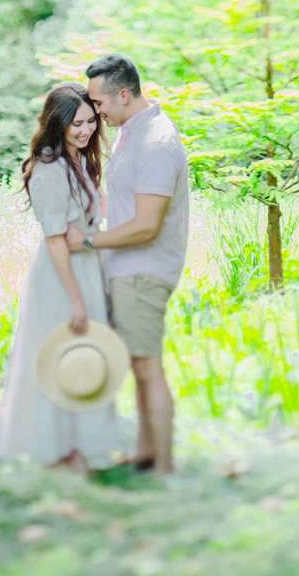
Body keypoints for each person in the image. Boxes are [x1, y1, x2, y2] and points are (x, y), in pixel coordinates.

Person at [67, 53, 190, 475]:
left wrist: (84, 240)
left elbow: (146, 226)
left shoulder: (155, 141)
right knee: (137, 365)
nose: (95, 111)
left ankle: (165, 466)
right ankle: (144, 449)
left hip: (144, 269)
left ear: (124, 94)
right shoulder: (131, 132)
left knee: (147, 367)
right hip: (126, 269)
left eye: (99, 103)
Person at [0, 82, 118, 472]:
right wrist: (77, 298)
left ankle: (80, 446)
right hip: (61, 275)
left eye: (90, 122)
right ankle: (55, 449)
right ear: (58, 124)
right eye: (76, 124)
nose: (85, 131)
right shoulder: (48, 170)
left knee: (87, 358)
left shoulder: (78, 161)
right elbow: (56, 241)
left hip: (85, 266)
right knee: (60, 356)